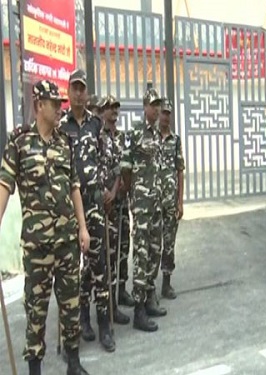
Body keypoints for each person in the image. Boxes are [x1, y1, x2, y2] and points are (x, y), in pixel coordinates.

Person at [0, 80, 90, 374]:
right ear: (39, 106)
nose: (60, 109)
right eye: (55, 104)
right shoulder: (19, 142)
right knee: (36, 310)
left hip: (66, 243)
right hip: (37, 247)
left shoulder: (65, 143)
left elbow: (74, 187)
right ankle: (35, 368)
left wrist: (83, 228)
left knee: (71, 304)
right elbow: (4, 186)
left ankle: (73, 363)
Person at [60, 69, 115, 352]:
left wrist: (107, 188)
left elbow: (105, 159)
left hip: (94, 204)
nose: (79, 93)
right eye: (75, 88)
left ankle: (104, 324)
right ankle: (82, 318)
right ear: (68, 93)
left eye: (83, 88)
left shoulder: (96, 125)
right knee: (74, 269)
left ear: (87, 93)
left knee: (99, 266)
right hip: (70, 207)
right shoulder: (61, 127)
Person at [121, 88, 166, 332]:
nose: (157, 109)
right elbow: (126, 167)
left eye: (159, 105)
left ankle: (149, 298)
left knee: (154, 251)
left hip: (156, 203)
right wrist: (133, 195)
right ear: (144, 107)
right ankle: (138, 310)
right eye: (153, 105)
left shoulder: (157, 134)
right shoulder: (134, 132)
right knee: (141, 254)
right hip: (141, 204)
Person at [98, 95, 131, 324]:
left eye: (116, 107)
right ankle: (108, 304)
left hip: (121, 201)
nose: (114, 111)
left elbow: (124, 166)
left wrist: (122, 187)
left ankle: (121, 291)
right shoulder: (97, 137)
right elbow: (94, 168)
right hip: (104, 204)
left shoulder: (122, 138)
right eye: (110, 108)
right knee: (107, 254)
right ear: (102, 111)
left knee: (122, 248)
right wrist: (106, 192)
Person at [159, 101, 185, 299]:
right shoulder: (150, 138)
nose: (166, 117)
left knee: (169, 244)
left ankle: (166, 284)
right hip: (152, 201)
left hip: (170, 202)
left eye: (168, 113)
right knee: (151, 246)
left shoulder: (175, 140)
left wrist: (180, 201)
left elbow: (180, 171)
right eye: (163, 113)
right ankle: (149, 287)